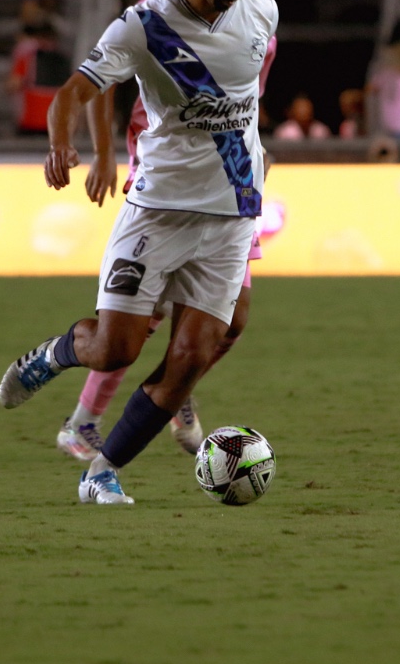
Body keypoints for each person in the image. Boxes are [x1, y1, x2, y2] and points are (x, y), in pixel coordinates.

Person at [0, 0, 278, 506]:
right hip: (160, 213)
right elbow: (74, 92)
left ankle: (100, 471)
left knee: (191, 358)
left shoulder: (262, 9)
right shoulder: (142, 26)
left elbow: (248, 90)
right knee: (117, 347)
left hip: (233, 214)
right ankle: (54, 354)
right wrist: (63, 144)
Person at [55, 27, 278, 464]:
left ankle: (179, 389)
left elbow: (246, 100)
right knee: (144, 315)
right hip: (166, 171)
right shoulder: (163, 20)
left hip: (229, 180)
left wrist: (254, 148)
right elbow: (103, 77)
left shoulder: (260, 31)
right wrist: (103, 153)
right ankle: (83, 420)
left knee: (230, 318)